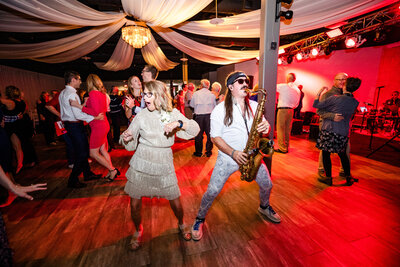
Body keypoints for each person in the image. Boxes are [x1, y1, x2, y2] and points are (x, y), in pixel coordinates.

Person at [191, 71, 281, 242]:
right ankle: (199, 218)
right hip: (228, 158)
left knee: (267, 184)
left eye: (246, 80)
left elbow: (264, 130)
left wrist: (266, 127)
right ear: (231, 87)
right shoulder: (219, 109)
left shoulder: (254, 106)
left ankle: (264, 206)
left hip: (252, 155)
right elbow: (214, 137)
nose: (245, 84)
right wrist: (233, 152)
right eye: (240, 81)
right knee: (212, 191)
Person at [120, 80, 200, 250]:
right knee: (134, 203)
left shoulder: (171, 113)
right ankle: (137, 230)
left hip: (163, 161)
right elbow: (130, 137)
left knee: (175, 200)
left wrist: (178, 123)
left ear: (160, 96)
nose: (145, 98)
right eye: (144, 94)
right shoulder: (141, 115)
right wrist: (126, 137)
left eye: (149, 94)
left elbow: (194, 129)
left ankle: (181, 223)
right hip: (142, 161)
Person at [70, 74, 119, 181]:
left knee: (93, 153)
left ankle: (112, 170)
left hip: (98, 126)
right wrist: (85, 104)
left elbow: (95, 112)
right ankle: (111, 171)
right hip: (103, 124)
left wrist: (78, 106)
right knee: (103, 150)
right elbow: (101, 110)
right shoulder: (102, 94)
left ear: (89, 83)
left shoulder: (92, 93)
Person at [313, 77, 362, 186]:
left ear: (345, 86)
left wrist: (319, 92)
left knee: (326, 154)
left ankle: (328, 178)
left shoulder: (335, 98)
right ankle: (348, 177)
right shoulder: (355, 102)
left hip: (330, 129)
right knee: (343, 154)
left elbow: (316, 105)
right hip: (343, 132)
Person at [59, 71, 103, 188]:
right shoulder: (72, 94)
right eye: (78, 79)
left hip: (69, 125)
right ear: (73, 79)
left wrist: (83, 104)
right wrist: (95, 117)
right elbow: (78, 114)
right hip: (75, 126)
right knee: (82, 153)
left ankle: (87, 174)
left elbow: (66, 112)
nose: (80, 82)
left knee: (81, 150)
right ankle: (72, 180)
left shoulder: (63, 92)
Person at [317, 73, 349, 177]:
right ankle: (324, 172)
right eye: (339, 79)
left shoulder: (347, 95)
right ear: (334, 81)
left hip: (342, 128)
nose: (342, 81)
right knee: (326, 151)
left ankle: (344, 172)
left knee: (344, 151)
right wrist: (332, 116)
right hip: (329, 127)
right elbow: (319, 111)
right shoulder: (328, 94)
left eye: (344, 79)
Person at [190, 79, 216, 157]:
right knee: (209, 134)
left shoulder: (196, 94)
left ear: (201, 85)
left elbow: (192, 105)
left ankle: (198, 152)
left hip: (199, 117)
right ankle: (208, 152)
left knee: (198, 135)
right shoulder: (212, 94)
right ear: (208, 86)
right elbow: (215, 106)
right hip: (209, 116)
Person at [275, 73, 300, 153]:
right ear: (294, 79)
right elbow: (297, 103)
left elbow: (272, 86)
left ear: (288, 78)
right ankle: (286, 146)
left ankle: (282, 148)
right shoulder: (297, 89)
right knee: (287, 129)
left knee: (280, 128)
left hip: (283, 109)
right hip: (291, 110)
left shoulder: (283, 86)